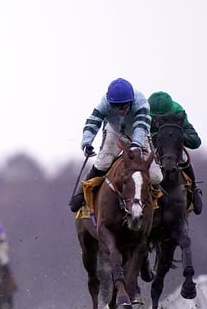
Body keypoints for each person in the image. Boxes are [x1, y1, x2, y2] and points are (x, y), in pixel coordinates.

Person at [69, 78, 162, 212]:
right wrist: (86, 143)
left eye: (124, 106)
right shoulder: (104, 103)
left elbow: (141, 127)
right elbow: (93, 121)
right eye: (116, 107)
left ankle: (157, 203)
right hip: (114, 130)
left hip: (138, 133)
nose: (121, 110)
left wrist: (136, 145)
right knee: (103, 163)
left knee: (156, 176)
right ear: (109, 103)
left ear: (131, 101)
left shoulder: (142, 104)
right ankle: (80, 194)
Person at [148, 91, 203, 214]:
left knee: (183, 156)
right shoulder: (144, 112)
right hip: (151, 144)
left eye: (159, 117)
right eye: (154, 117)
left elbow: (195, 141)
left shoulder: (178, 113)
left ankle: (194, 188)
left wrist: (177, 135)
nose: (156, 120)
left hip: (172, 147)